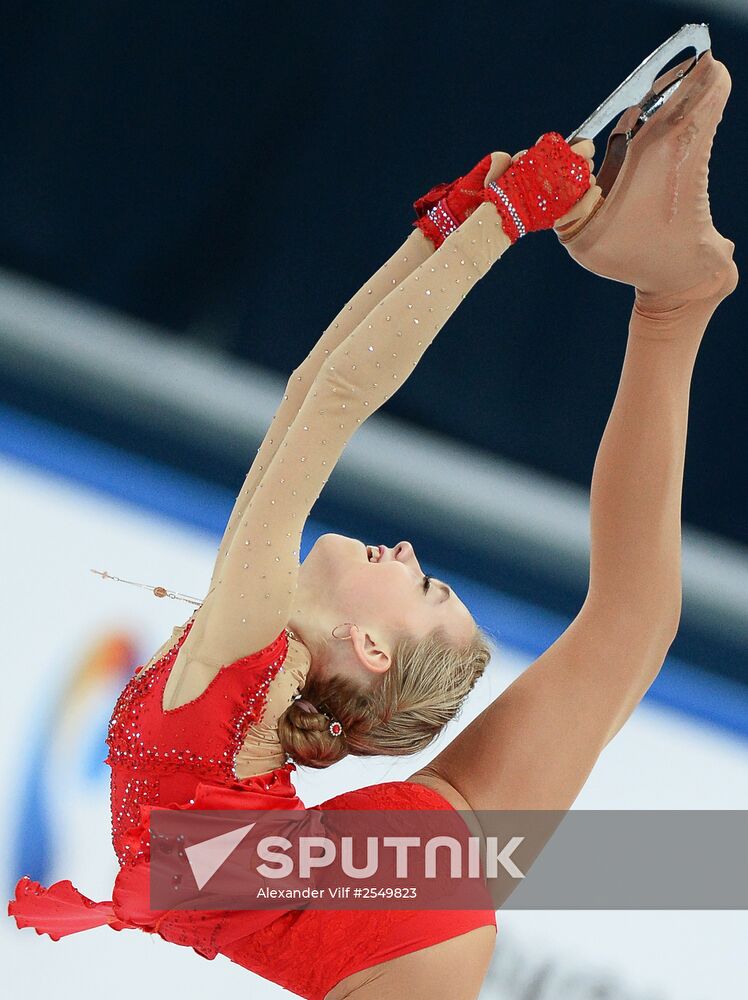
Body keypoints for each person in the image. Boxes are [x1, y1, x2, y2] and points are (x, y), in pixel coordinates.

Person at [9, 48, 737, 1000]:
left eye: (423, 584)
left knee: (632, 624)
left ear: (368, 646)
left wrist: (478, 229)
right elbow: (320, 395)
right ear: (365, 652)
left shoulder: (249, 643)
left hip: (344, 889)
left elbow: (325, 397)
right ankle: (673, 306)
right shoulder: (256, 646)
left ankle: (673, 305)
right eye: (429, 582)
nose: (407, 551)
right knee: (630, 624)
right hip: (348, 886)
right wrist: (462, 230)